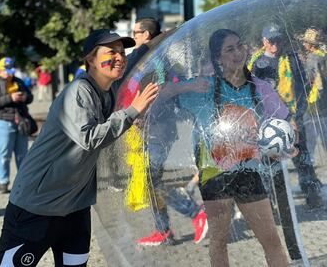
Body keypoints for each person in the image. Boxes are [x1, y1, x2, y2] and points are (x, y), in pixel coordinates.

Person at [0, 29, 158, 266]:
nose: (119, 57)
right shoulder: (78, 91)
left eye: (122, 51)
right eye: (111, 52)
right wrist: (132, 112)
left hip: (75, 207)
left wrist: (146, 45)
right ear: (91, 59)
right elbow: (89, 138)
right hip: (38, 205)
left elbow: (131, 63)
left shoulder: (109, 87)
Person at [164, 29, 290, 266]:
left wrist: (284, 146)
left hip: (249, 172)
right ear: (218, 58)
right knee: (220, 241)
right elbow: (162, 94)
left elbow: (284, 123)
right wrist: (185, 87)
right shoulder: (205, 87)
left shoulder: (260, 88)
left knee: (271, 240)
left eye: (240, 45)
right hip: (214, 174)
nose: (237, 52)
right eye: (229, 49)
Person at [123, 17, 208, 246]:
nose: (134, 37)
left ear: (147, 35)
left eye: (136, 33)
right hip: (151, 127)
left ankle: (196, 214)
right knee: (152, 181)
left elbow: (163, 88)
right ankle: (163, 231)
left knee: (153, 180)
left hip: (159, 128)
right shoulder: (149, 58)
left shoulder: (156, 59)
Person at [250, 23, 323, 208]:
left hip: (294, 120)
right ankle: (273, 204)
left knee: (303, 159)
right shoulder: (259, 65)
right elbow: (258, 95)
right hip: (271, 125)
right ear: (264, 41)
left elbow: (303, 86)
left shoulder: (291, 60)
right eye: (271, 41)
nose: (275, 45)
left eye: (278, 40)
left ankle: (312, 195)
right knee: (270, 166)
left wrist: (298, 113)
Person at [0, 57, 33, 193]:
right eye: (6, 69)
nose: (9, 73)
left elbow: (30, 97)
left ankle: (23, 183)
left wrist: (25, 97)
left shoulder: (18, 81)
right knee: (4, 154)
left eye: (11, 69)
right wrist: (10, 98)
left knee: (22, 155)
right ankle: (3, 182)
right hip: (2, 123)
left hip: (20, 122)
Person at [299, 28, 327, 163]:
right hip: (325, 97)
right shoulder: (323, 55)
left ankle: (310, 158)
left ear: (311, 44)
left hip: (316, 98)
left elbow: (309, 79)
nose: (304, 44)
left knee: (312, 127)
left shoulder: (312, 58)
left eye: (306, 42)